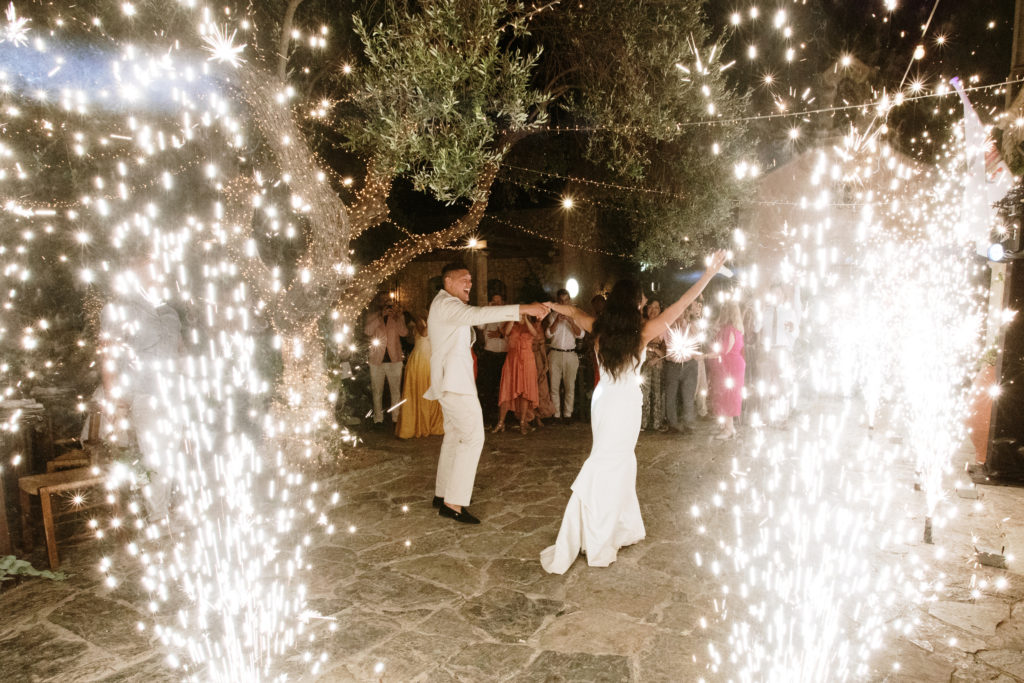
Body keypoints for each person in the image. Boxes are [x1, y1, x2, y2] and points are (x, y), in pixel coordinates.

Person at [540, 251, 726, 573]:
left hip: (604, 402)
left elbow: (571, 310)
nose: (643, 303)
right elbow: (680, 304)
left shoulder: (598, 327)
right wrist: (708, 275)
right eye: (640, 300)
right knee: (612, 464)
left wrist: (549, 306)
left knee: (613, 462)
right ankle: (598, 535)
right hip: (625, 405)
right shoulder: (642, 332)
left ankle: (620, 526)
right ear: (635, 303)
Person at [425, 262, 549, 524]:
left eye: (471, 279)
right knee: (473, 438)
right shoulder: (447, 303)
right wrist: (523, 308)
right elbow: (477, 315)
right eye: (464, 279)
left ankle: (442, 493)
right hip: (455, 383)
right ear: (448, 281)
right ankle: (453, 503)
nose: (469, 284)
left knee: (455, 436)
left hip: (451, 381)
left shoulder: (445, 303)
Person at [101, 255, 184, 527]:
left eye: (158, 271)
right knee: (153, 456)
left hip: (174, 393)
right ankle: (157, 518)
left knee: (170, 455)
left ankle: (164, 511)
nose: (155, 276)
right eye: (148, 272)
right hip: (143, 393)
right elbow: (109, 355)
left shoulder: (170, 313)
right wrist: (114, 401)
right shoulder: (119, 311)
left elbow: (180, 352)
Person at [754, 281, 801, 425]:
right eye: (773, 293)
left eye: (778, 293)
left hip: (782, 351)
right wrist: (760, 312)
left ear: (783, 295)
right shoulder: (765, 311)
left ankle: (782, 418)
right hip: (766, 351)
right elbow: (756, 328)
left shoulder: (788, 312)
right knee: (764, 385)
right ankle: (765, 418)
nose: (776, 295)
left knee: (783, 386)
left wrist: (792, 328)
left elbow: (796, 333)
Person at [395, 311, 444, 439]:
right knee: (420, 392)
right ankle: (418, 426)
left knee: (432, 391)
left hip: (432, 362)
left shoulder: (438, 323)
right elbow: (424, 333)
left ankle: (432, 425)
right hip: (419, 362)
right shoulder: (419, 321)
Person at [364, 297, 409, 426]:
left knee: (395, 391)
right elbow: (367, 331)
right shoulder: (373, 316)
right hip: (376, 360)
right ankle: (378, 419)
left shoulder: (397, 317)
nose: (389, 308)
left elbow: (404, 333)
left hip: (395, 360)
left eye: (391, 305)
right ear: (381, 305)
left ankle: (396, 418)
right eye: (386, 305)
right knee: (377, 391)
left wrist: (398, 318)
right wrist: (380, 317)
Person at [663, 296, 704, 435]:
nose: (679, 314)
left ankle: (689, 424)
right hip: (672, 365)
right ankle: (673, 424)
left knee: (688, 396)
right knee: (670, 396)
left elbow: (698, 341)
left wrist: (688, 324)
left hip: (689, 365)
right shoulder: (667, 327)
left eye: (681, 311)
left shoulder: (691, 326)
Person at [495, 313, 542, 434]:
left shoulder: (532, 325)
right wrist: (513, 317)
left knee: (525, 392)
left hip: (527, 361)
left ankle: (522, 422)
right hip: (512, 361)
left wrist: (526, 319)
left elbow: (535, 334)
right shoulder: (510, 324)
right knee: (507, 390)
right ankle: (501, 422)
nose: (521, 315)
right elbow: (506, 332)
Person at [706, 300, 746, 440]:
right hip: (733, 365)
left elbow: (723, 350)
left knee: (727, 396)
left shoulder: (728, 330)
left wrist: (704, 356)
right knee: (729, 394)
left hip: (729, 367)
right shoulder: (736, 329)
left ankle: (728, 429)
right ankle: (729, 427)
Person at [546, 288, 585, 424]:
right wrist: (557, 321)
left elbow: (581, 335)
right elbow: (548, 334)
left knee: (570, 386)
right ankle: (556, 414)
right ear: (558, 301)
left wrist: (571, 322)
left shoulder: (576, 315)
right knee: (554, 386)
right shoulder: (552, 316)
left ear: (569, 301)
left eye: (566, 300)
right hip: (555, 353)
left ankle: (568, 414)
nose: (564, 303)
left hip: (570, 354)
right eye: (561, 301)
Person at [475, 293, 508, 427]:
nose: (496, 304)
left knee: (503, 387)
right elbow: (479, 326)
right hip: (490, 353)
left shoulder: (507, 315)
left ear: (503, 303)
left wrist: (501, 334)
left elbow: (513, 333)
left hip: (504, 354)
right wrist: (487, 309)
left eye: (498, 302)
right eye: (494, 302)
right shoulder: (488, 314)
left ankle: (503, 418)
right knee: (489, 386)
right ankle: (487, 418)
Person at [640, 299, 667, 432]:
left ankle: (657, 422)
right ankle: (643, 423)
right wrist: (651, 349)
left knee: (657, 392)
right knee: (643, 392)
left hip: (658, 362)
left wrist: (657, 357)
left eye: (656, 307)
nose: (653, 310)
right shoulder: (642, 324)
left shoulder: (663, 326)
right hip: (643, 362)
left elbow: (666, 349)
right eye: (650, 307)